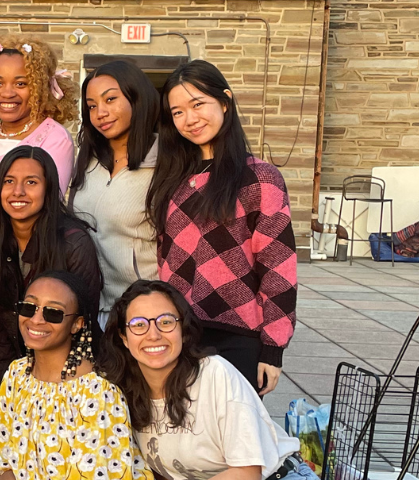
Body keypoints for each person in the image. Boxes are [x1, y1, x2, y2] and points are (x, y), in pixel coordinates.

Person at [147, 60, 297, 395]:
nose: (190, 119)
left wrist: (273, 349)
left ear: (225, 102)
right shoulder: (172, 179)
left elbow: (278, 267)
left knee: (232, 426)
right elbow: (165, 259)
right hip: (178, 334)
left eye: (198, 104)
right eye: (178, 112)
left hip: (238, 337)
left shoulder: (260, 178)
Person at [102, 280, 318, 480]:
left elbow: (247, 473)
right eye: (139, 325)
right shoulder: (120, 391)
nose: (153, 335)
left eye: (166, 322)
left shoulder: (215, 375)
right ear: (124, 337)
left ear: (183, 330)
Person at [0, 146, 102, 405]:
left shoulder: (74, 243)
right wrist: (6, 404)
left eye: (31, 182)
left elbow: (82, 328)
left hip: (70, 374)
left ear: (48, 189)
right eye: (9, 181)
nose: (18, 191)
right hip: (12, 367)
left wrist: (59, 398)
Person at [0, 270, 150, 480]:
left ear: (77, 324)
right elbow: (2, 462)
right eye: (29, 307)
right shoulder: (16, 374)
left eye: (53, 312)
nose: (36, 319)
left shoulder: (98, 393)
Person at [0, 35, 78, 265]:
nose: (7, 93)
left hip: (21, 255)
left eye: (21, 84)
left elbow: (47, 207)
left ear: (39, 88)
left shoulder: (55, 138)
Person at [69, 61, 161, 324]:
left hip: (144, 312)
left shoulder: (166, 164)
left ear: (137, 98)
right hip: (91, 308)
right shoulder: (88, 160)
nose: (100, 113)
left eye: (110, 99)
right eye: (92, 106)